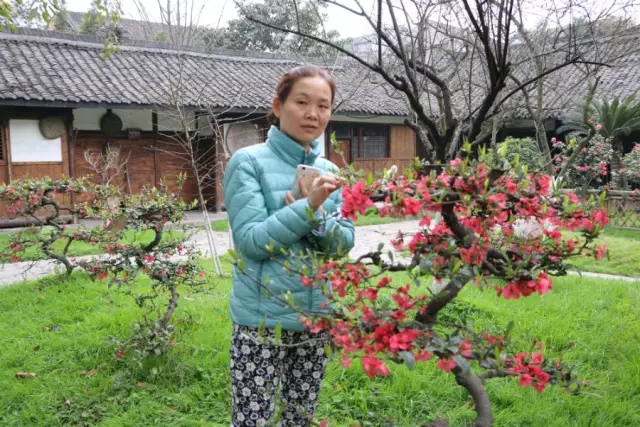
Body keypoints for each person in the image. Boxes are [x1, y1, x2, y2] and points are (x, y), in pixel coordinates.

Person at [222, 65, 356, 426]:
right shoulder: (248, 162)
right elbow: (251, 242)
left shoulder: (331, 172)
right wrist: (307, 208)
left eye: (323, 105)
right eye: (302, 102)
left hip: (315, 319)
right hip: (261, 322)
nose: (313, 114)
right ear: (278, 106)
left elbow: (343, 243)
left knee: (299, 419)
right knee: (253, 420)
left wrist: (315, 214)